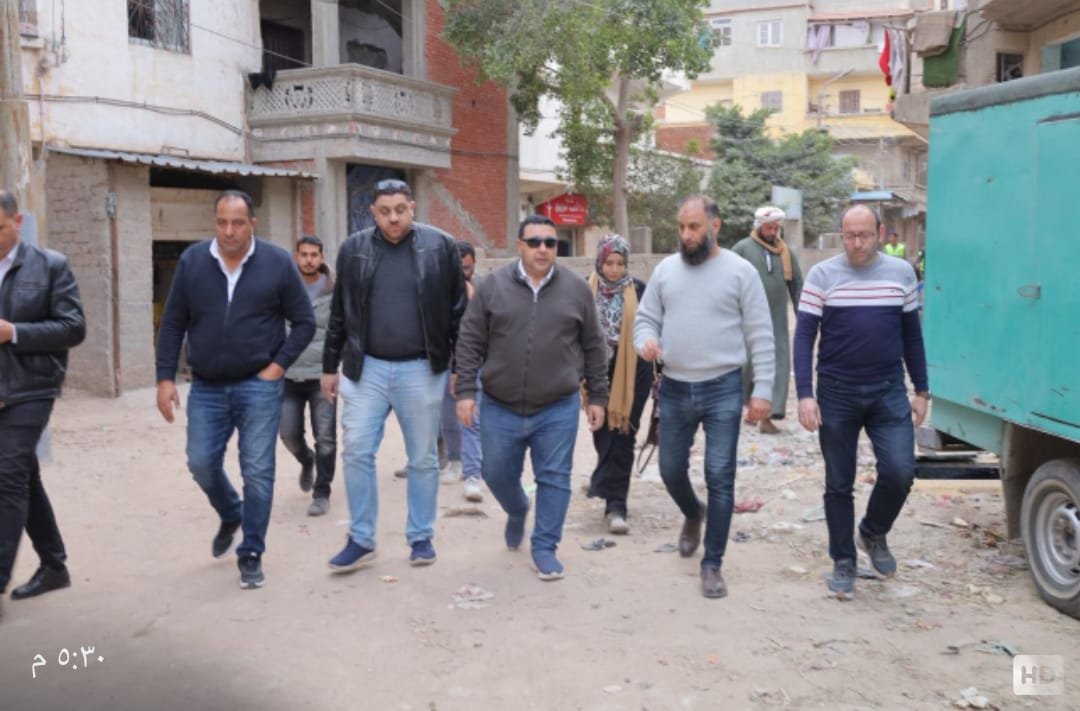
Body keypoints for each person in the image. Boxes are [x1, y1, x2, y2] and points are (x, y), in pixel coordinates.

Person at [156, 190, 315, 590]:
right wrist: (164, 378)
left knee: (258, 471)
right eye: (222, 222)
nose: (229, 231)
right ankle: (231, 512)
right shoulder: (193, 261)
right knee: (200, 462)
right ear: (215, 222)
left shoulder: (277, 262)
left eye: (238, 223)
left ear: (252, 224)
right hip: (206, 385)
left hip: (258, 385)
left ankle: (251, 552)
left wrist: (276, 367)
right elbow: (173, 322)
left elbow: (304, 322)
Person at [633, 195, 775, 599]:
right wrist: (646, 342)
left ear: (715, 225)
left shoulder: (741, 272)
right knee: (669, 470)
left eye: (693, 227)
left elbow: (761, 334)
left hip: (723, 387)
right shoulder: (666, 271)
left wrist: (763, 390)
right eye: (681, 227)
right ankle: (693, 512)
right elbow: (646, 319)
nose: (685, 234)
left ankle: (712, 563)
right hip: (675, 387)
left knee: (720, 475)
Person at [321, 179, 466, 573]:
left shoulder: (440, 246)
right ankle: (361, 539)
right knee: (356, 450)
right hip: (365, 368)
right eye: (385, 212)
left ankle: (420, 536)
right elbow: (340, 312)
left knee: (422, 458)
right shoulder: (353, 250)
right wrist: (329, 366)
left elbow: (459, 313)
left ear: (412, 207)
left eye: (400, 210)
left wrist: (462, 369)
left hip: (422, 368)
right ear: (373, 212)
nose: (393, 218)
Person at [455, 215, 608, 581]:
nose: (543, 249)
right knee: (494, 472)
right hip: (499, 403)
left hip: (557, 405)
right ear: (520, 245)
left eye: (550, 243)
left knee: (555, 477)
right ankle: (517, 508)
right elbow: (470, 339)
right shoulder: (493, 286)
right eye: (535, 242)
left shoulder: (576, 290)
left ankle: (544, 546)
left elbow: (593, 345)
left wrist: (598, 396)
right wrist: (465, 392)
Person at [793, 204, 929, 600]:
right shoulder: (822, 275)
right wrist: (805, 394)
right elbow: (804, 337)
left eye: (865, 235)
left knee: (900, 471)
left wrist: (921, 390)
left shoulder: (901, 273)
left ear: (880, 233)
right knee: (839, 482)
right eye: (850, 236)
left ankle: (872, 531)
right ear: (842, 234)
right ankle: (843, 560)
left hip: (888, 389)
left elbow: (912, 335)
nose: (857, 243)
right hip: (837, 392)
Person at [0, 190, 86, 620]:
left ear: (17, 222)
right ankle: (54, 565)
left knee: (7, 476)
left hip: (32, 387)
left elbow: (73, 328)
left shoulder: (51, 266)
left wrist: (14, 332)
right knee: (24, 477)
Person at [585, 234, 653, 535]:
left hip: (634, 370)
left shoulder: (639, 290)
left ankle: (616, 505)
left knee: (624, 432)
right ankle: (605, 479)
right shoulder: (584, 289)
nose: (614, 269)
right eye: (609, 263)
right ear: (599, 261)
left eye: (620, 263)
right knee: (602, 431)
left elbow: (653, 326)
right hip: (596, 370)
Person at [732, 206, 804, 434]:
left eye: (775, 228)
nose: (772, 232)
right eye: (768, 228)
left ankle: (767, 417)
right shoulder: (742, 249)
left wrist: (803, 315)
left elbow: (797, 285)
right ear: (759, 226)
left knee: (779, 365)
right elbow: (727, 281)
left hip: (777, 321)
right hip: (747, 319)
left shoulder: (785, 252)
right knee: (747, 366)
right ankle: (744, 410)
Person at [279, 235, 337, 517]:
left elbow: (341, 330)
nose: (309, 260)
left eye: (314, 255)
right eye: (304, 254)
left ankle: (322, 492)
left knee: (325, 437)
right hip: (287, 375)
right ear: (296, 257)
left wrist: (337, 368)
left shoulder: (334, 291)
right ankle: (306, 460)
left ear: (322, 257)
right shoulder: (283, 288)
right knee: (288, 434)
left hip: (321, 376)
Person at [439, 240, 485, 502]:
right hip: (446, 363)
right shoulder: (439, 288)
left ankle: (472, 473)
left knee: (471, 418)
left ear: (474, 265)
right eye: (457, 269)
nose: (462, 273)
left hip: (474, 363)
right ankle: (455, 461)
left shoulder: (482, 287)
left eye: (466, 268)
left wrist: (471, 296)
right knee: (447, 417)